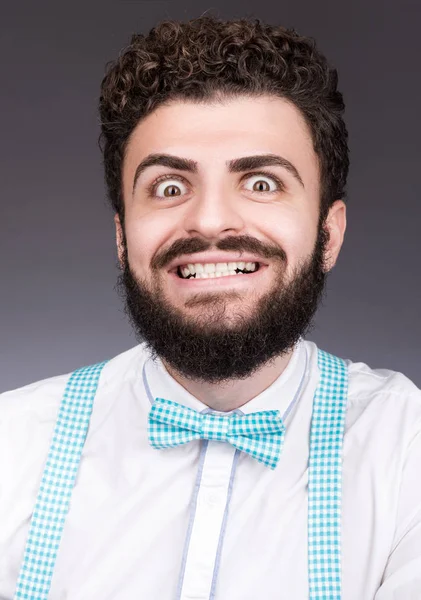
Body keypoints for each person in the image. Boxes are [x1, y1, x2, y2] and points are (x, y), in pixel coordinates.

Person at [1, 14, 420, 600]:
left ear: (330, 233)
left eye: (262, 183)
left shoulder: (408, 452)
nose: (209, 220)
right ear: (122, 238)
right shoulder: (11, 446)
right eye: (170, 187)